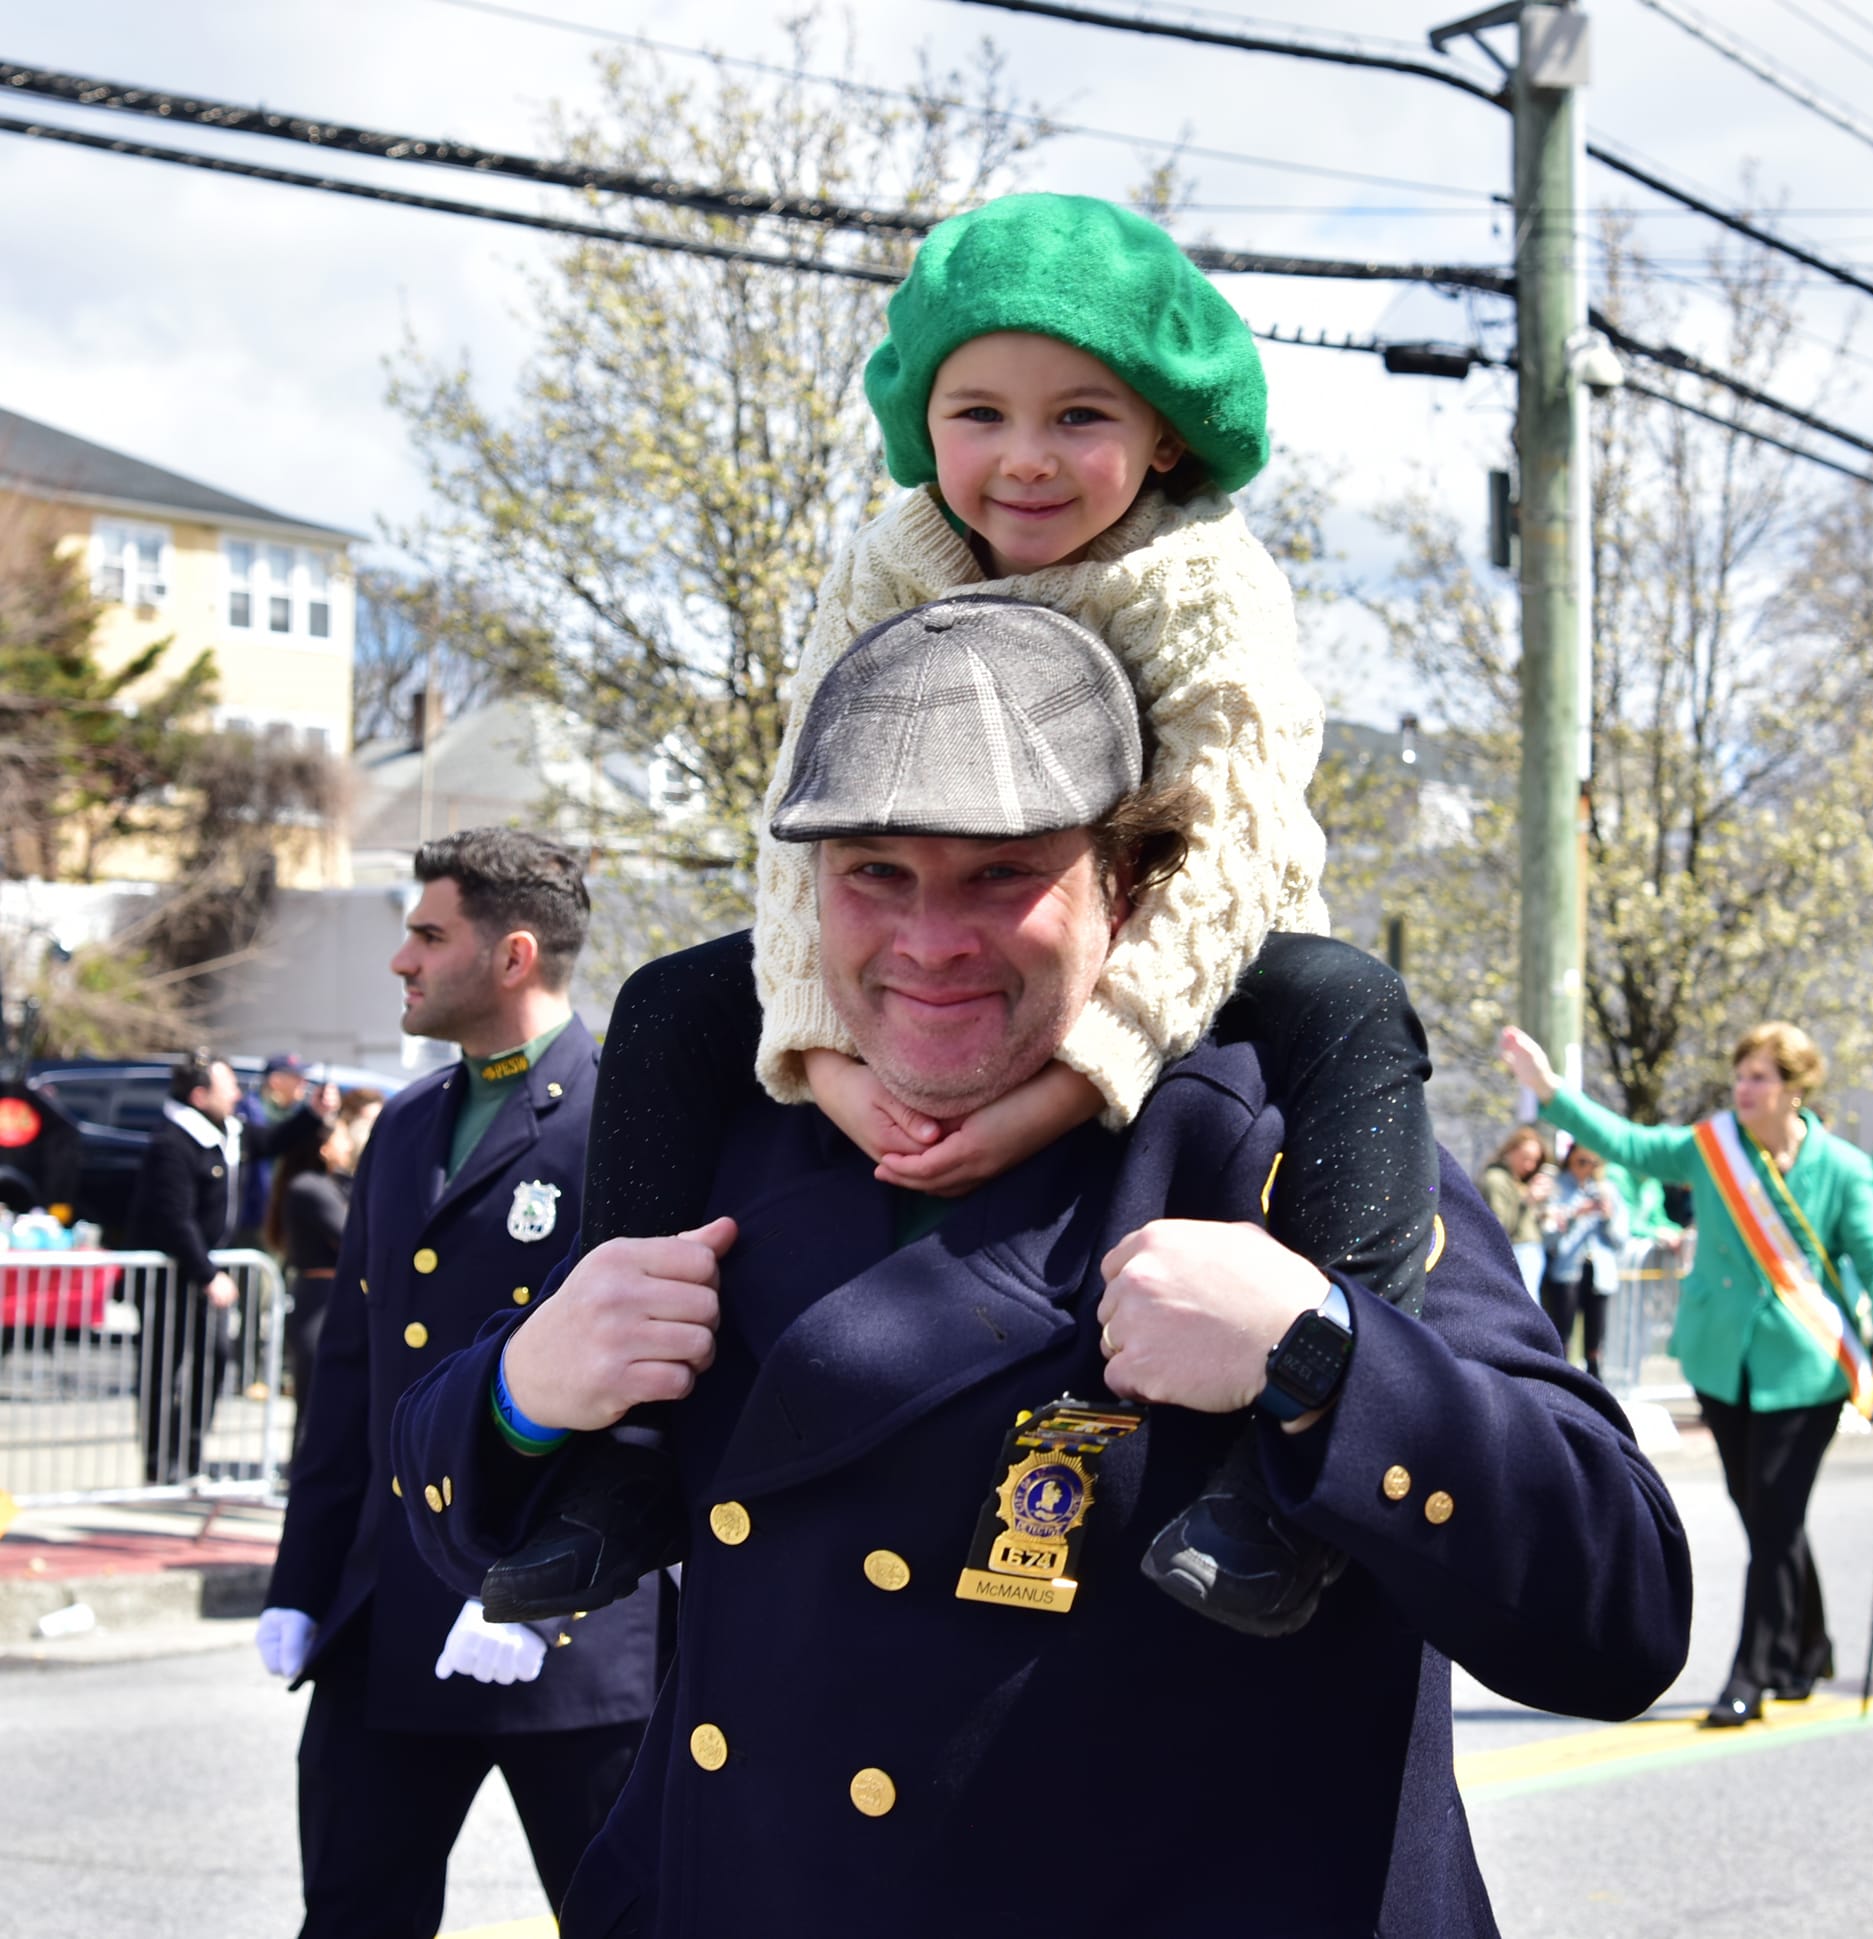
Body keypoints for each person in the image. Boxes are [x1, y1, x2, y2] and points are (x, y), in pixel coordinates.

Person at [395, 602, 1691, 1938]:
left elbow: (1621, 1606)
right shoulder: (739, 1118)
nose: (930, 938)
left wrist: (1322, 1350)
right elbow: (465, 1514)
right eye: (875, 871)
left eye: (1004, 873)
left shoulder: (1274, 1137)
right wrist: (525, 1387)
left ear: (1128, 883)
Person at [486, 192, 1442, 1641]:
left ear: (1169, 432)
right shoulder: (889, 560)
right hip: (957, 943)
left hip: (1189, 940)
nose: (1025, 458)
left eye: (1080, 416)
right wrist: (820, 1048)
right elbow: (801, 809)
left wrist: (1070, 1079)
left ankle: (1303, 1426)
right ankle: (623, 1444)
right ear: (921, 422)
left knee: (1349, 1003)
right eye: (979, 412)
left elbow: (1226, 840)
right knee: (679, 1002)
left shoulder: (1204, 581)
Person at [256, 830, 662, 1939]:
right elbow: (351, 1378)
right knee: (350, 1913)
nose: (401, 960)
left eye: (428, 934)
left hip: (564, 1639)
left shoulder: (625, 1117)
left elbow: (654, 1391)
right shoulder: (406, 1123)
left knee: (626, 1918)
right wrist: (301, 1580)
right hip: (389, 1617)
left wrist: (553, 1595)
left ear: (512, 954)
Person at [1500, 1019, 1873, 1730]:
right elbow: (1633, 1143)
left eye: (1759, 1077)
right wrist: (1550, 1092)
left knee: (1774, 1517)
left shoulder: (1841, 1167)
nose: (1744, 1087)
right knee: (1762, 1512)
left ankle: (1751, 1673)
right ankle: (1807, 1644)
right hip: (1723, 1361)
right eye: (1741, 1074)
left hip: (1806, 1367)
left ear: (1794, 1088)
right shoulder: (1715, 1146)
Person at [126, 1053, 333, 1485]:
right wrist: (206, 1274)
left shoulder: (228, 1130)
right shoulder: (173, 1142)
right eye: (228, 1087)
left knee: (213, 1360)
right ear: (200, 1096)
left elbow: (272, 1141)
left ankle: (191, 1457)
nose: (238, 1094)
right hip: (173, 1274)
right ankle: (161, 1465)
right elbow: (173, 1218)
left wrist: (312, 1115)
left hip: (210, 1269)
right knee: (164, 1369)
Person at [265, 1088, 384, 1468]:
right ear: (322, 1147)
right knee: (313, 1394)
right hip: (318, 1298)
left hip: (338, 1296)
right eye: (340, 1137)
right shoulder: (308, 1188)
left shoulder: (339, 1184)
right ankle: (301, 1470)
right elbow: (353, 1232)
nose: (348, 1143)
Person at [1541, 1141, 1627, 1382]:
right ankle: (1562, 1380)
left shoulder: (1607, 1189)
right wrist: (1573, 1214)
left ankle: (1595, 1379)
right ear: (1570, 1159)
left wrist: (1608, 1217)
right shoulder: (1557, 1187)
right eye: (1581, 1161)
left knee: (1595, 1334)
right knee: (1563, 1332)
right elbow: (1547, 1236)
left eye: (1593, 1163)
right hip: (1566, 1268)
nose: (1587, 1168)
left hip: (1599, 1269)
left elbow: (1621, 1238)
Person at [234, 1052, 310, 1248]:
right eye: (296, 1077)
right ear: (276, 1081)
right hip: (257, 1216)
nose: (303, 1082)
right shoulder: (249, 1112)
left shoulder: (296, 1112)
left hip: (287, 1214)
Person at [1480, 1125, 1553, 1298]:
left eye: (1535, 1160)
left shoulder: (1518, 1181)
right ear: (1510, 1150)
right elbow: (1499, 1227)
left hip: (1530, 1251)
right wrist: (1527, 1200)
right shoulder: (1496, 1180)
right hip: (1518, 1252)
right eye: (1526, 1158)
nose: (1530, 1166)